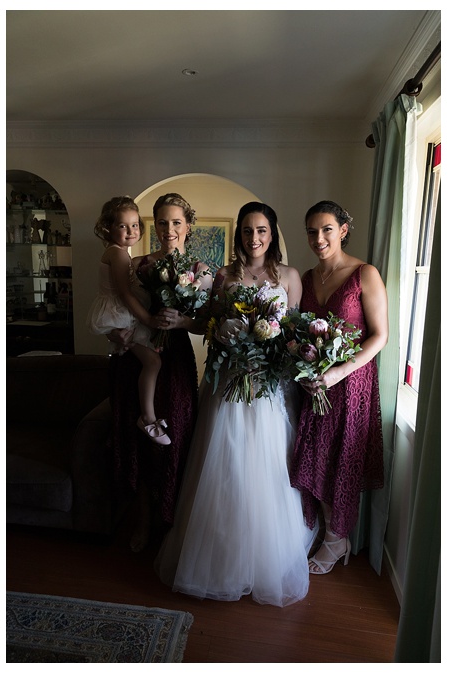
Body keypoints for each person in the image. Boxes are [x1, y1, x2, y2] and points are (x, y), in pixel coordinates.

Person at [154, 201, 311, 606]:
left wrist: (271, 350)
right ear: (239, 234)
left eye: (261, 230)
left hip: (268, 387)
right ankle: (220, 558)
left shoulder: (290, 276)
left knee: (267, 468)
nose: (253, 238)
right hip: (228, 382)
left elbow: (292, 333)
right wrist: (186, 323)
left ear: (272, 234)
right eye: (247, 230)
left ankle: (265, 559)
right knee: (225, 466)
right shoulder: (224, 275)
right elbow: (207, 321)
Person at [107, 193, 211, 551]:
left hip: (175, 360)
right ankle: (142, 521)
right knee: (139, 440)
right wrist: (113, 333)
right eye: (163, 222)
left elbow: (206, 325)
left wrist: (183, 321)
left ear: (188, 226)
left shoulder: (201, 271)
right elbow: (116, 306)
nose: (169, 229)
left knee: (176, 437)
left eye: (176, 222)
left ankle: (172, 523)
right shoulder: (137, 265)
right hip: (136, 360)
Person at [290, 200, 388, 574]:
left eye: (327, 229)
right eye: (312, 231)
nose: (319, 238)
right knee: (313, 458)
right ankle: (330, 532)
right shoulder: (306, 278)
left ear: (343, 230)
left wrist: (339, 372)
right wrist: (305, 368)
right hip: (315, 385)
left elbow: (379, 336)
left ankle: (336, 538)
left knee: (341, 461)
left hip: (351, 384)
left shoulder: (365, 274)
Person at [87, 196, 170, 445]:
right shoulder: (118, 255)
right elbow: (125, 294)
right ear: (108, 228)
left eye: (135, 225)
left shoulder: (119, 253)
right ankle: (147, 418)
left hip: (120, 313)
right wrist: (149, 320)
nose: (131, 231)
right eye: (123, 226)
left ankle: (148, 416)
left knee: (152, 357)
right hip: (122, 315)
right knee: (153, 362)